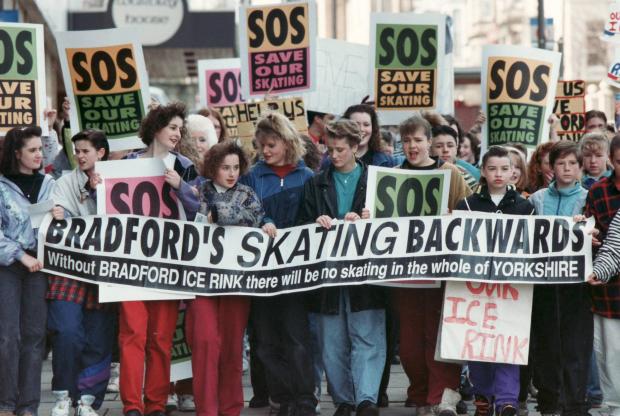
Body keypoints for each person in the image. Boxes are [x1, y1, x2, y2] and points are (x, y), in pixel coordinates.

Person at [297, 119, 385, 416]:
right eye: (329, 149)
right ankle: (344, 401)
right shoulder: (315, 183)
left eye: (340, 149)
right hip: (328, 274)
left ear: (355, 147)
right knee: (331, 342)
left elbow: (394, 222)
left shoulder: (377, 180)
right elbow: (301, 224)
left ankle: (366, 399)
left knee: (367, 336)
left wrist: (370, 219)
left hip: (367, 273)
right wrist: (315, 222)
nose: (333, 155)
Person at [118, 102, 198, 416]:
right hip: (130, 263)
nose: (178, 134)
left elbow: (200, 208)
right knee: (132, 334)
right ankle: (131, 404)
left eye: (180, 129)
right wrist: (98, 187)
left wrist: (182, 187)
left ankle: (155, 403)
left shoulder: (185, 166)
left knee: (161, 337)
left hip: (168, 263)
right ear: (156, 129)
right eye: (172, 127)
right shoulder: (128, 162)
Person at [178, 141, 268, 416]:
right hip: (201, 281)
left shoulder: (246, 192)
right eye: (225, 167)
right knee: (204, 341)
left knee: (231, 346)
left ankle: (230, 409)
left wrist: (218, 214)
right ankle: (206, 409)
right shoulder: (198, 190)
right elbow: (188, 216)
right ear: (213, 168)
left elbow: (255, 218)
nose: (231, 173)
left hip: (235, 282)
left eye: (236, 167)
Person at [239, 112, 317, 416]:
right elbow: (245, 211)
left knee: (297, 339)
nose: (265, 151)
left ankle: (305, 400)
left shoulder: (306, 176)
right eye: (261, 145)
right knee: (266, 342)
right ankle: (281, 398)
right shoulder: (252, 176)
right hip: (261, 272)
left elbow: (312, 216)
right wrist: (263, 221)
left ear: (286, 142)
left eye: (271, 145)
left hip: (296, 272)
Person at [395, 114, 471, 416]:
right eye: (406, 141)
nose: (412, 146)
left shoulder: (450, 173)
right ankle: (419, 392)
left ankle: (441, 396)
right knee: (410, 342)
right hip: (406, 272)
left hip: (443, 269)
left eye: (418, 140)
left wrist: (456, 216)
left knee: (439, 334)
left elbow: (470, 211)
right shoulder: (392, 175)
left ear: (430, 142)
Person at [456, 145, 534, 416]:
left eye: (504, 168)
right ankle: (483, 396)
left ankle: (506, 400)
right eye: (492, 169)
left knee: (508, 340)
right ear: (483, 171)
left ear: (513, 172)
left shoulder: (526, 207)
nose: (498, 174)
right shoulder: (466, 206)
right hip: (475, 288)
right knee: (477, 341)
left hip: (511, 288)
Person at [47, 130, 115, 416]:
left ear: (101, 153)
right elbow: (56, 214)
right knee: (66, 331)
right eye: (76, 151)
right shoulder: (64, 182)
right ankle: (63, 395)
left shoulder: (116, 181)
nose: (79, 156)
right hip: (70, 267)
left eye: (85, 150)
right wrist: (57, 213)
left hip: (102, 270)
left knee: (98, 336)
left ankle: (88, 399)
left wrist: (101, 193)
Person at [527, 141, 592, 416]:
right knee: (545, 341)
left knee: (574, 344)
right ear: (551, 167)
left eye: (572, 164)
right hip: (543, 282)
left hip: (575, 283)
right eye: (561, 163)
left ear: (580, 167)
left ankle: (575, 403)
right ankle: (549, 401)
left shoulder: (588, 198)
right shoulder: (537, 199)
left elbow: (598, 232)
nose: (566, 169)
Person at [0, 126, 55, 416]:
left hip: (40, 266)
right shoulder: (1, 186)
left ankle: (28, 406)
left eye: (40, 149)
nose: (38, 154)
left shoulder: (49, 183)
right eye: (32, 150)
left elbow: (67, 222)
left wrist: (61, 215)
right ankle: (6, 404)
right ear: (16, 153)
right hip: (8, 267)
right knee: (8, 336)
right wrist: (20, 256)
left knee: (35, 336)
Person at [584, 133, 620, 416]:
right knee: (611, 354)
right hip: (609, 289)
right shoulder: (598, 192)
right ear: (611, 160)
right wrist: (589, 234)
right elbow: (609, 244)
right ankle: (614, 405)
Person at [431, 125, 478, 191]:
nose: (445, 150)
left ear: (456, 148)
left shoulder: (466, 178)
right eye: (439, 146)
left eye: (450, 146)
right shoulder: (422, 173)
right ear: (430, 149)